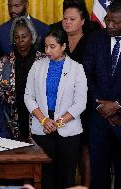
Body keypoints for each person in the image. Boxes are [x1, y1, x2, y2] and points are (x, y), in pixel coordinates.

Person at [24, 29, 87, 189]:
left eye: (52, 46)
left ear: (64, 46)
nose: (47, 51)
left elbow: (80, 103)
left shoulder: (77, 68)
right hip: (42, 128)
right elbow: (28, 97)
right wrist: (44, 120)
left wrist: (57, 123)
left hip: (68, 130)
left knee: (66, 176)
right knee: (45, 176)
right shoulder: (37, 66)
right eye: (46, 46)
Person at [83, 1, 121, 188]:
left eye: (116, 22)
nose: (110, 25)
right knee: (99, 177)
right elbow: (86, 75)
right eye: (108, 20)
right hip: (98, 121)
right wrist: (101, 106)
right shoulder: (95, 39)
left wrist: (117, 105)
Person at [0, 16, 45, 139]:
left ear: (32, 36)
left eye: (24, 36)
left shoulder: (44, 60)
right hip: (11, 120)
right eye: (16, 37)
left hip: (39, 119)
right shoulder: (4, 62)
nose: (20, 40)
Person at [61, 2, 92, 187]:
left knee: (84, 149)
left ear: (82, 21)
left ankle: (85, 186)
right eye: (65, 18)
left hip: (85, 104)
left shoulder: (91, 41)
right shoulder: (59, 41)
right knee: (66, 149)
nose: (67, 22)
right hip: (61, 105)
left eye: (72, 19)